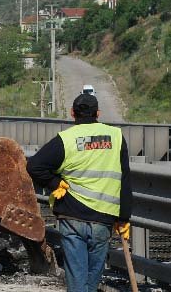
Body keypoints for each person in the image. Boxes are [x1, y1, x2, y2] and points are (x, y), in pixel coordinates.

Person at [27, 94, 132, 292]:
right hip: (104, 218)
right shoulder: (116, 136)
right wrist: (124, 217)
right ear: (98, 113)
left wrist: (54, 183)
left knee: (77, 278)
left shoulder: (66, 139)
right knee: (93, 278)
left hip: (72, 216)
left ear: (72, 113)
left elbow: (34, 166)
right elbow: (125, 179)